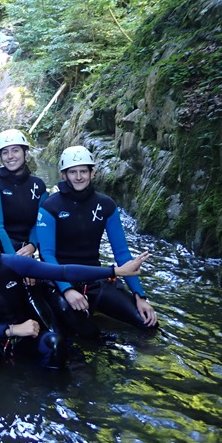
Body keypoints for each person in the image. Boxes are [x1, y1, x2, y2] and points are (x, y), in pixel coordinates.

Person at [0, 214, 150, 375]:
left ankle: (50, 397)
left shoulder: (11, 263)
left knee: (55, 346)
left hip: (27, 332)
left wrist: (115, 271)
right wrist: (12, 330)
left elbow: (63, 272)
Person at [36, 145, 158, 338]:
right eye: (72, 172)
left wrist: (140, 296)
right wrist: (67, 290)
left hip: (96, 280)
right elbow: (46, 255)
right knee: (88, 336)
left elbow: (122, 253)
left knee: (148, 324)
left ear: (92, 173)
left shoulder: (106, 205)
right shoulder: (50, 206)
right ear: (64, 175)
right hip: (60, 281)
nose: (78, 177)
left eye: (83, 171)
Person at [0, 129, 47, 256]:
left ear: (26, 153)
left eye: (15, 150)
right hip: (2, 250)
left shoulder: (38, 185)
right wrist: (15, 259)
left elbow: (39, 222)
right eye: (5, 152)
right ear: (1, 157)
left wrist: (32, 245)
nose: (10, 156)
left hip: (28, 249)